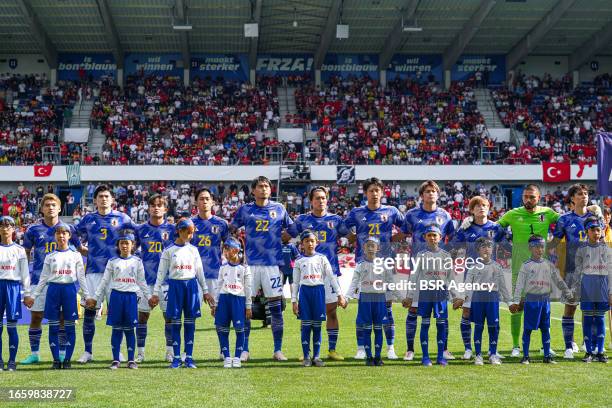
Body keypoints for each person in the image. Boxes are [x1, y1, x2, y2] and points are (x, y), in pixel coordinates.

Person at [230, 176, 293, 362]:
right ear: (253, 190)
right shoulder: (246, 209)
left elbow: (293, 229)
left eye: (267, 186)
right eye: (260, 186)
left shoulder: (279, 209)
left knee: (276, 309)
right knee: (246, 308)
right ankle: (244, 349)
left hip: (272, 265)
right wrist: (235, 246)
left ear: (270, 190)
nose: (264, 189)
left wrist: (283, 238)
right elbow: (232, 228)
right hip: (250, 265)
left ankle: (278, 350)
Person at [495, 184, 561, 358]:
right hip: (518, 269)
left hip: (541, 271)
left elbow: (566, 222)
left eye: (532, 197)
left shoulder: (547, 213)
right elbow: (494, 227)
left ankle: (543, 345)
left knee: (543, 309)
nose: (528, 200)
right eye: (525, 196)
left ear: (539, 198)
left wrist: (554, 244)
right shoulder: (512, 214)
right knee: (517, 307)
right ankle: (516, 346)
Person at [342, 178, 404, 360]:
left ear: (382, 193)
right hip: (364, 263)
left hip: (385, 264)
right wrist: (352, 238)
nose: (374, 194)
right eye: (371, 191)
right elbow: (341, 227)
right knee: (363, 306)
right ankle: (361, 347)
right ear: (366, 193)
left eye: (377, 190)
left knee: (387, 306)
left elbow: (406, 227)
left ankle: (390, 347)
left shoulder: (391, 211)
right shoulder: (357, 212)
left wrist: (393, 240)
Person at [76, 185, 137, 364]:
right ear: (95, 200)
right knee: (89, 312)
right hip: (93, 271)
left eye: (106, 196)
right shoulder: (88, 219)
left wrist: (128, 256)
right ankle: (88, 351)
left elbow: (137, 237)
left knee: (118, 314)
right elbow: (74, 236)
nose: (103, 199)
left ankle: (117, 353)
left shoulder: (123, 218)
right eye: (100, 196)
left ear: (112, 200)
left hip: (116, 273)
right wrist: (81, 249)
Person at [21, 194, 84, 365]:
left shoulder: (69, 228)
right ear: (41, 209)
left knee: (62, 318)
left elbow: (80, 249)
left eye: (53, 205)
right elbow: (25, 254)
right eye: (47, 205)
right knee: (36, 316)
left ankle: (62, 353)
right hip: (38, 280)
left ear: (59, 208)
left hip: (61, 281)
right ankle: (35, 354)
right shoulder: (33, 230)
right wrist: (24, 275)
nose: (50, 208)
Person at [287, 186, 348, 360]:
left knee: (331, 312)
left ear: (327, 200)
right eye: (317, 198)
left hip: (330, 272)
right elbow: (286, 235)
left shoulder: (336, 220)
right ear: (311, 201)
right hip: (308, 273)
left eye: (323, 198)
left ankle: (332, 349)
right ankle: (306, 351)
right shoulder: (302, 220)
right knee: (306, 315)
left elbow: (351, 236)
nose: (320, 201)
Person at [149, 218, 214, 369]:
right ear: (180, 231)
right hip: (175, 286)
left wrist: (205, 291)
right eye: (189, 232)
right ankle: (177, 357)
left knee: (190, 323)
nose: (191, 235)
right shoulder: (169, 251)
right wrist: (155, 293)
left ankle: (189, 357)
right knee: (175, 323)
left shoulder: (194, 250)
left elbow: (199, 272)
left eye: (192, 233)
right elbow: (161, 273)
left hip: (191, 286)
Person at [402, 180, 455, 361]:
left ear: (438, 195)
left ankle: (444, 349)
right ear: (422, 195)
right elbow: (402, 234)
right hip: (418, 268)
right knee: (414, 310)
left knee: (441, 313)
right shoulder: (411, 214)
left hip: (438, 271)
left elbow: (453, 239)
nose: (431, 194)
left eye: (434, 191)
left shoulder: (445, 215)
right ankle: (410, 349)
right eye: (427, 191)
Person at [26, 223, 91, 370]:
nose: (61, 236)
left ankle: (67, 359)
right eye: (58, 233)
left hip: (69, 290)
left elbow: (81, 277)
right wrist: (33, 296)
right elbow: (43, 278)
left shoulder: (76, 255)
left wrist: (87, 296)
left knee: (69, 327)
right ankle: (56, 360)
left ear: (69, 236)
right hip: (53, 290)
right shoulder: (50, 256)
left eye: (64, 233)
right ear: (55, 236)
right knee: (53, 327)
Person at [548, 184, 602, 359]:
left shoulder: (595, 217)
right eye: (580, 194)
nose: (584, 196)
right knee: (570, 308)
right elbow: (555, 242)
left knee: (592, 310)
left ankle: (590, 343)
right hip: (572, 270)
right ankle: (568, 345)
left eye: (586, 194)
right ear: (572, 198)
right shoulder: (564, 219)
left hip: (593, 271)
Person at [454, 196, 507, 360]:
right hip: (472, 276)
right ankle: (468, 348)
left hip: (491, 278)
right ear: (472, 210)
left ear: (489, 208)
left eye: (484, 205)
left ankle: (493, 350)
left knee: (492, 316)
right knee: (467, 312)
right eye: (477, 206)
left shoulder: (496, 228)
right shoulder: (466, 228)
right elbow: (455, 248)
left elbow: (504, 246)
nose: (481, 208)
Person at [88, 233, 150, 370]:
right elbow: (104, 281)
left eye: (127, 243)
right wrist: (95, 297)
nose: (124, 246)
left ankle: (131, 360)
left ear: (132, 245)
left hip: (131, 298)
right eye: (122, 243)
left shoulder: (137, 262)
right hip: (116, 297)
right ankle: (115, 360)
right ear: (118, 245)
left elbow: (142, 281)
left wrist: (149, 296)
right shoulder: (112, 261)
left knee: (129, 330)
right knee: (116, 330)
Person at [510, 235, 573, 365]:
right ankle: (526, 356)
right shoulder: (526, 265)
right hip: (531, 300)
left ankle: (547, 356)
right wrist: (516, 301)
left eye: (542, 247)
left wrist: (567, 292)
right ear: (530, 248)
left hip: (545, 301)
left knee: (545, 328)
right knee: (528, 329)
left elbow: (558, 280)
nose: (540, 249)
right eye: (537, 246)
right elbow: (520, 285)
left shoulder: (548, 265)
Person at [403, 225, 460, 367]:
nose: (432, 238)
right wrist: (410, 296)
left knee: (441, 325)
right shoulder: (420, 255)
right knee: (425, 324)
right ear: (425, 238)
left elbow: (450, 278)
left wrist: (455, 297)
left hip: (441, 293)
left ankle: (441, 357)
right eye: (429, 235)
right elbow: (414, 276)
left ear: (440, 238)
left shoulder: (446, 256)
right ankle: (426, 357)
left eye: (435, 235)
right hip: (425, 293)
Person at [292, 230, 345, 367]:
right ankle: (306, 356)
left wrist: (339, 294)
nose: (310, 244)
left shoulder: (322, 258)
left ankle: (316, 356)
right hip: (305, 293)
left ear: (317, 242)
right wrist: (294, 301)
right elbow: (296, 283)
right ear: (302, 244)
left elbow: (332, 277)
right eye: (306, 241)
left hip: (319, 292)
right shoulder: (299, 261)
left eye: (312, 241)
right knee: (306, 326)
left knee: (317, 326)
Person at [135, 194, 176, 363]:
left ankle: (170, 352)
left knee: (170, 317)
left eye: (160, 205)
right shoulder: (141, 230)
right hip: (146, 282)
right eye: (153, 205)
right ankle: (140, 353)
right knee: (142, 317)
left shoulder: (173, 230)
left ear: (165, 209)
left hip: (167, 281)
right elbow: (131, 250)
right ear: (148, 208)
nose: (156, 207)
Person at [190, 188, 229, 359]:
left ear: (212, 202)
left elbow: (229, 248)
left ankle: (223, 349)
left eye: (207, 199)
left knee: (219, 313)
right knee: (190, 314)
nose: (204, 202)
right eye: (201, 199)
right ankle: (187, 352)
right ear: (196, 202)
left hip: (215, 274)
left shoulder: (221, 224)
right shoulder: (189, 224)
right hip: (193, 276)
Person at [461, 237, 512, 365]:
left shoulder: (497, 267)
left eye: (489, 246)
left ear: (492, 249)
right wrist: (466, 303)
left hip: (492, 299)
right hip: (478, 299)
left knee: (493, 327)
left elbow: (503, 286)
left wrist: (509, 302)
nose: (486, 249)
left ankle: (493, 354)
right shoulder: (473, 267)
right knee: (478, 327)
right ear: (478, 250)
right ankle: (478, 355)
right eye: (483, 246)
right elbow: (467, 286)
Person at [346, 236, 392, 366]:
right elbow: (354, 283)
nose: (371, 248)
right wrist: (347, 297)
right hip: (365, 299)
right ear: (363, 249)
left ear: (378, 248)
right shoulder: (360, 265)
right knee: (366, 329)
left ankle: (378, 357)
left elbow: (391, 283)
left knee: (378, 328)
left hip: (379, 299)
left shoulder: (384, 265)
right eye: (368, 246)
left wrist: (402, 297)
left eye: (373, 246)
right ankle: (369, 357)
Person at [573, 217, 611, 363]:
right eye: (593, 230)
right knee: (588, 318)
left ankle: (600, 352)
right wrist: (575, 289)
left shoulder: (607, 250)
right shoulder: (582, 250)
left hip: (602, 284)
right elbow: (577, 271)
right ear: (586, 231)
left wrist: (610, 291)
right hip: (587, 284)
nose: (596, 232)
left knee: (600, 318)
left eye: (598, 229)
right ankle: (589, 352)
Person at [212, 238, 252, 369]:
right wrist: (215, 304)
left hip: (238, 300)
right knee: (222, 329)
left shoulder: (244, 268)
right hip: (224, 300)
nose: (225, 252)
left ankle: (237, 357)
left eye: (227, 249)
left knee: (240, 330)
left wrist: (248, 306)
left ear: (235, 250)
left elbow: (248, 288)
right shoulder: (223, 267)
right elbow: (218, 286)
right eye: (224, 249)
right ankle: (227, 357)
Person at [0, 216, 32, 371]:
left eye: (8, 225)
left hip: (13, 287)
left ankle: (12, 361)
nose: (5, 228)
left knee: (12, 327)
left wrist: (27, 293)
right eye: (2, 225)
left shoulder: (19, 250)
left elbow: (25, 274)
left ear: (13, 229)